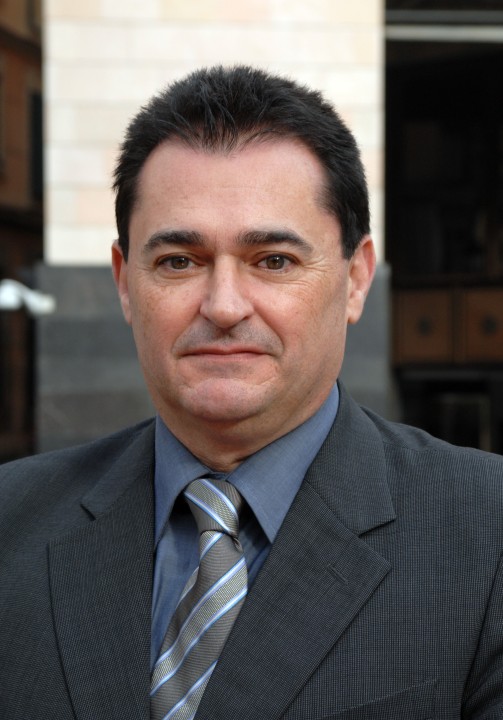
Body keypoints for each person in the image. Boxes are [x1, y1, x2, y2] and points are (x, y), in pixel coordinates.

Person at [1, 65, 502, 720]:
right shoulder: (11, 521)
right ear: (125, 283)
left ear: (355, 279)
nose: (224, 305)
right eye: (179, 261)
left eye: (273, 261)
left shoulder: (486, 532)